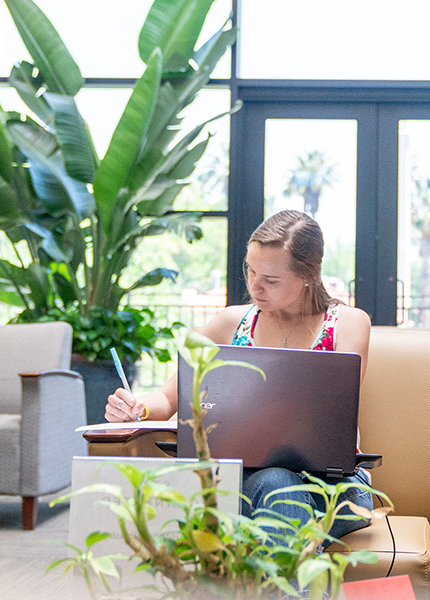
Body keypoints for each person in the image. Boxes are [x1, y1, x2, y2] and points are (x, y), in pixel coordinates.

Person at [105, 209, 374, 540]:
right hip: (250, 481)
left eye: (270, 279)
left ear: (309, 274)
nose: (254, 286)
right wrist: (136, 408)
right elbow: (167, 397)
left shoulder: (347, 323)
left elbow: (333, 417)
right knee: (276, 484)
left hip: (334, 487)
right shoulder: (229, 324)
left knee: (277, 489)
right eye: (250, 270)